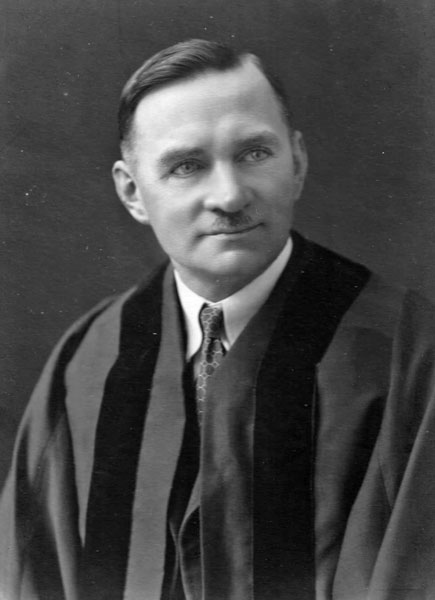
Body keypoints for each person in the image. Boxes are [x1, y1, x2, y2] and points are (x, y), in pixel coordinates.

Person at [1, 38, 435, 600]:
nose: (229, 196)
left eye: (254, 153)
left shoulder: (409, 351)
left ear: (298, 162)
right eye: (187, 166)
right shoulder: (88, 358)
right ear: (133, 192)